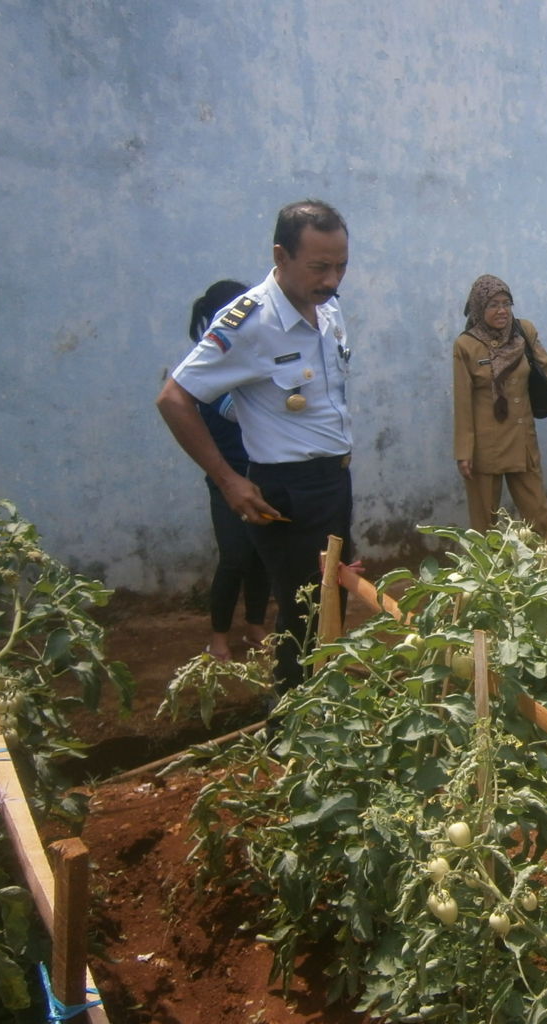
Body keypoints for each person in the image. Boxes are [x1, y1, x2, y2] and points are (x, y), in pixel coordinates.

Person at [157, 199, 353, 692]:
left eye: (340, 266)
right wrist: (228, 480)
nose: (332, 280)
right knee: (304, 611)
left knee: (332, 604)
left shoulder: (327, 308)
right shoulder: (249, 322)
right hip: (286, 490)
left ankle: (320, 710)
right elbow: (174, 398)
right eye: (319, 267)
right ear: (281, 256)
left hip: (333, 482)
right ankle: (290, 727)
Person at [452, 274, 547, 534]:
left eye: (506, 303)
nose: (501, 311)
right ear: (478, 308)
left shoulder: (524, 332)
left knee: (539, 516)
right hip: (485, 448)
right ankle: (485, 573)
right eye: (493, 305)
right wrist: (464, 451)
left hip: (522, 440)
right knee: (484, 524)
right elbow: (462, 402)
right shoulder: (466, 345)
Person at [187, 280, 270, 661]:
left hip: (261, 474)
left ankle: (255, 628)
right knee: (235, 557)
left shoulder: (249, 362)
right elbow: (239, 412)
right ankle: (219, 637)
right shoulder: (211, 367)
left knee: (260, 556)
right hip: (228, 480)